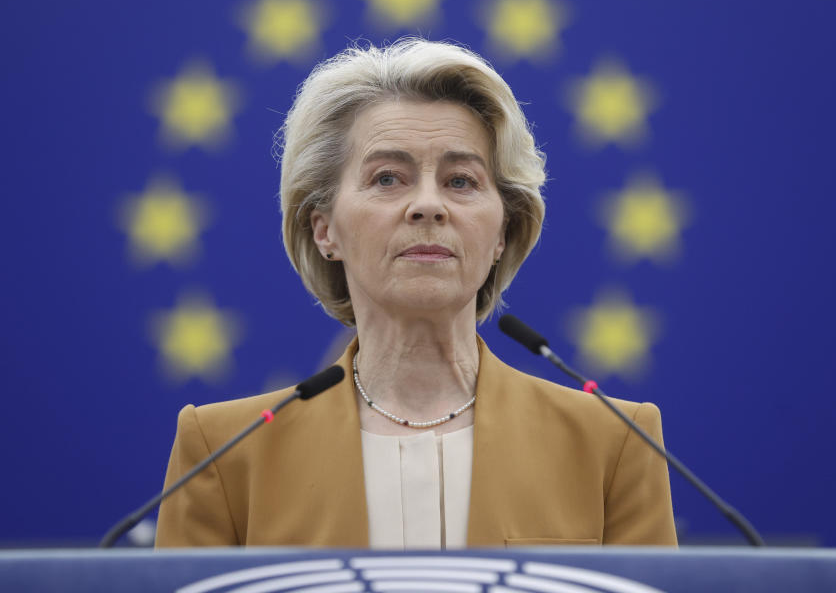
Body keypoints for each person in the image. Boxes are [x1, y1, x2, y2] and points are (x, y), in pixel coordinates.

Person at [155, 39, 677, 548]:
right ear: (324, 229)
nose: (428, 205)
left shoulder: (614, 442)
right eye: (387, 178)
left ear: (502, 233)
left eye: (461, 181)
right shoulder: (223, 453)